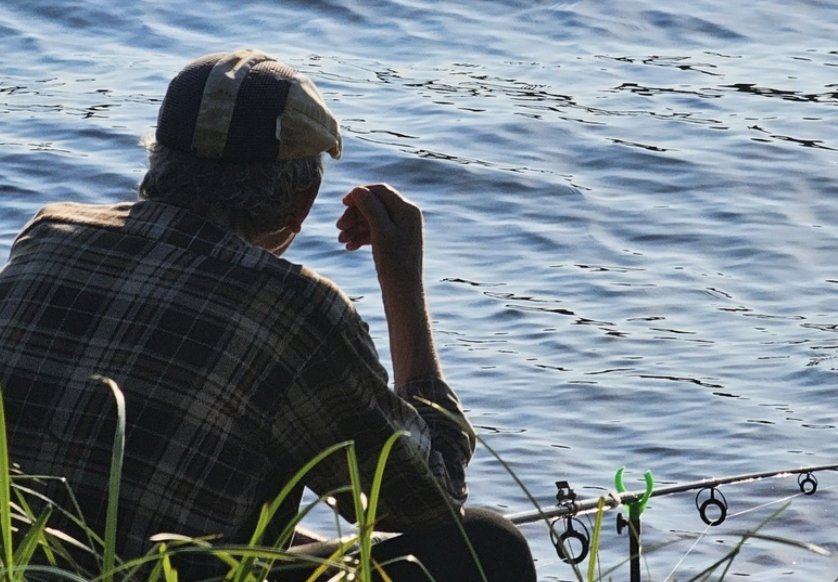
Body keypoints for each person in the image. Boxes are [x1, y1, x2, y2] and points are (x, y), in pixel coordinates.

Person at [0, 49, 535, 581]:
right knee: (487, 546)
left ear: (157, 158)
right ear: (304, 198)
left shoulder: (48, 232)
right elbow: (431, 498)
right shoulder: (296, 309)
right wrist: (403, 286)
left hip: (21, 560)